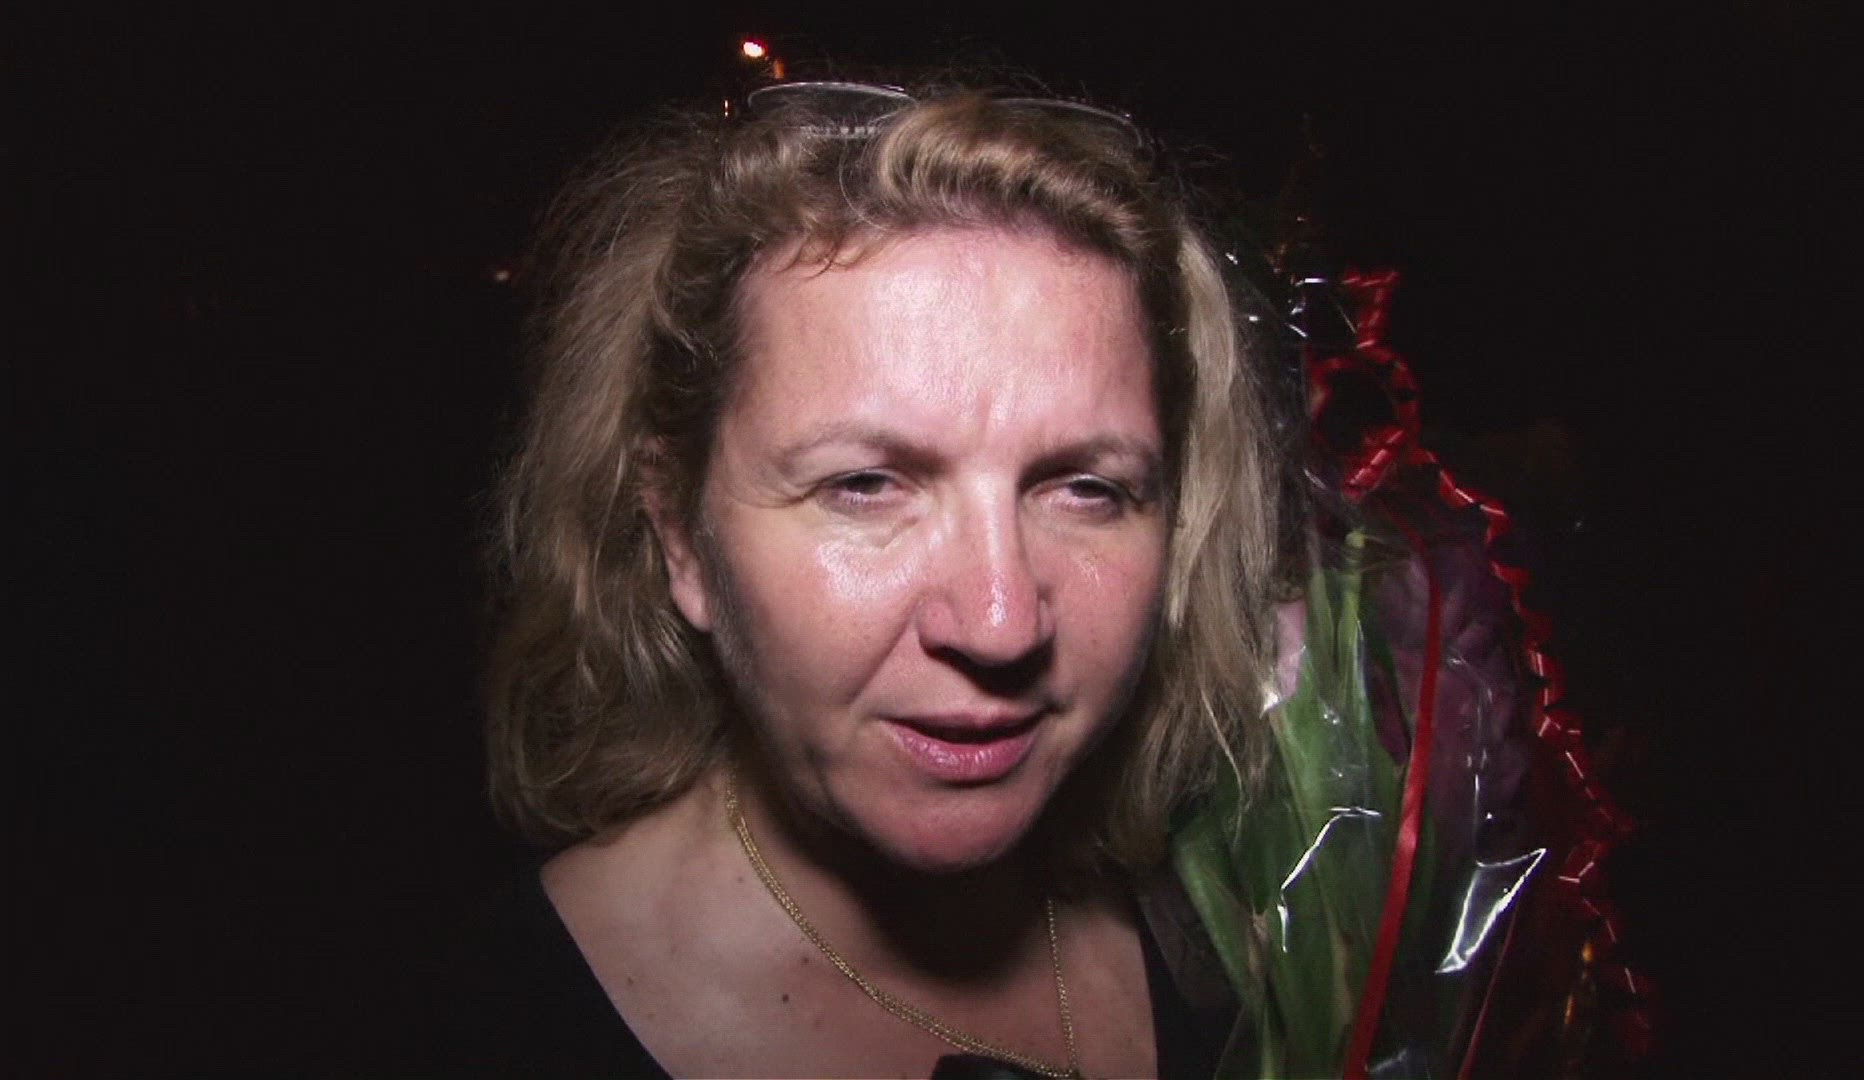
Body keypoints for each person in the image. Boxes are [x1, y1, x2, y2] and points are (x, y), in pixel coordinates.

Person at [478, 79, 1301, 1078]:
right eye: (865, 485)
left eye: (1087, 489)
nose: (1000, 623)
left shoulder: (1265, 932)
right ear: (681, 535)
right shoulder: (495, 1026)